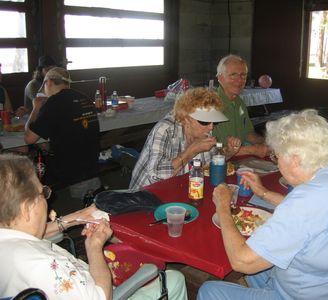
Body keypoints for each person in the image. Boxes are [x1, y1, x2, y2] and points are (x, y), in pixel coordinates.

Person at [198, 109, 328, 300]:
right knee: (262, 267)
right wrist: (264, 193)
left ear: (296, 160)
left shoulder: (307, 200)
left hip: (314, 292)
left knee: (209, 290)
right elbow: (316, 218)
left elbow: (241, 261)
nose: (277, 163)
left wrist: (223, 206)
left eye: (277, 157)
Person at [0, 153, 188, 300]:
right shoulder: (42, 265)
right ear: (26, 209)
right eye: (43, 193)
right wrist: (94, 248)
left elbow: (27, 235)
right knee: (174, 280)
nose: (47, 200)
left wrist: (76, 217)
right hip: (100, 290)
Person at [129, 87, 241, 191]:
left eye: (214, 121)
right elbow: (155, 176)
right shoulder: (165, 129)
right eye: (205, 121)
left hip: (177, 188)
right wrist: (191, 151)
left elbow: (209, 163)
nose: (211, 127)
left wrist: (229, 152)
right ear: (186, 118)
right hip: (145, 194)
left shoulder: (205, 130)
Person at [24, 67, 101, 204]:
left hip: (70, 166)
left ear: (49, 82)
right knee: (44, 144)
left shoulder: (54, 103)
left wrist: (36, 108)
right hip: (93, 161)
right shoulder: (85, 98)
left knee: (34, 159)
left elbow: (29, 138)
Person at [212, 54, 270, 158]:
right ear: (220, 78)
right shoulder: (211, 105)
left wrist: (267, 142)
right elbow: (210, 151)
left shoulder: (239, 102)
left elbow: (247, 133)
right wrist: (251, 150)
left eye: (243, 75)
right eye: (233, 75)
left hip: (239, 161)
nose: (239, 80)